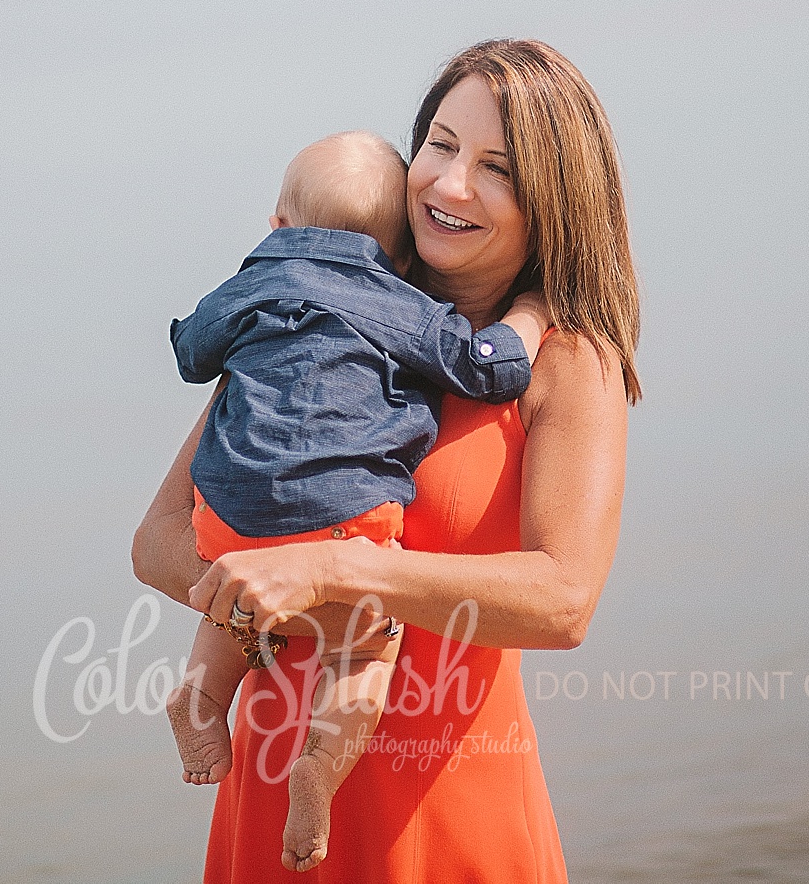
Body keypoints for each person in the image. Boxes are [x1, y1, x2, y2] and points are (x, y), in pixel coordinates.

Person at [134, 39, 640, 883]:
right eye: (440, 145)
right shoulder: (313, 327)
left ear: (553, 201)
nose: (448, 184)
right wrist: (292, 606)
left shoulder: (564, 360)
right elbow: (156, 540)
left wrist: (335, 572)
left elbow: (563, 601)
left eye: (498, 170)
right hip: (272, 800)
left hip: (449, 806)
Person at [165, 130, 551, 872]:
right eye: (441, 146)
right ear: (399, 252)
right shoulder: (398, 304)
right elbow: (484, 370)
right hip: (344, 524)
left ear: (278, 225)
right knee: (363, 649)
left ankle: (203, 695)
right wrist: (530, 315)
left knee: (231, 588)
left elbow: (191, 353)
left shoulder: (253, 294)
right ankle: (321, 760)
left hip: (227, 515)